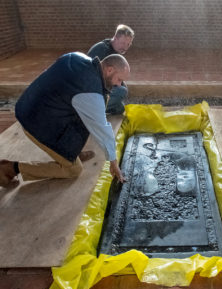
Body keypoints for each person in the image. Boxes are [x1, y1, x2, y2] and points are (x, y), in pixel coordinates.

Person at [0, 52, 130, 187]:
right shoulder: (90, 91)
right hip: (36, 122)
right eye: (119, 79)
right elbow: (102, 129)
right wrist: (113, 162)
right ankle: (10, 169)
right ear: (109, 70)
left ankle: (73, 153)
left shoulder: (77, 57)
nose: (120, 85)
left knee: (85, 117)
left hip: (31, 106)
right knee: (73, 170)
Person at [87, 24, 134, 115]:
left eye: (128, 44)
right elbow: (92, 77)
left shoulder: (116, 49)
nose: (125, 47)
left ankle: (106, 107)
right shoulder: (102, 50)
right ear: (115, 38)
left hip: (101, 84)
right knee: (121, 91)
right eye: (123, 43)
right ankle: (93, 111)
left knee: (120, 107)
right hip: (90, 89)